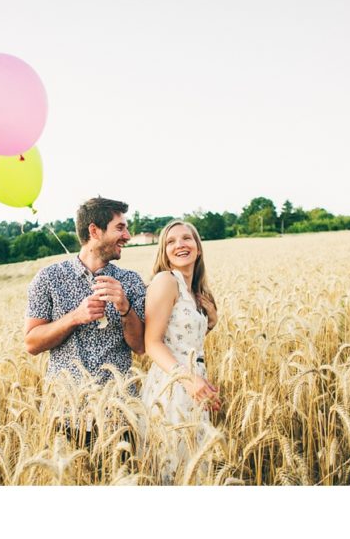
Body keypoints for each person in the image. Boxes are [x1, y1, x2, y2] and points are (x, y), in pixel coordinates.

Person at [24, 196, 146, 400]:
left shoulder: (131, 281)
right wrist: (75, 317)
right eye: (120, 228)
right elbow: (31, 344)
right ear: (94, 231)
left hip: (118, 410)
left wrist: (125, 307)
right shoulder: (48, 278)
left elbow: (140, 346)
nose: (127, 235)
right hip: (65, 409)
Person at [141, 219, 220, 481]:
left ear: (198, 247)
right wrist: (187, 379)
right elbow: (152, 343)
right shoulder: (166, 280)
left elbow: (185, 338)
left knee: (194, 467)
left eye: (187, 238)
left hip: (194, 384)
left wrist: (211, 320)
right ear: (164, 252)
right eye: (171, 242)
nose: (180, 245)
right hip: (172, 385)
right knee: (173, 467)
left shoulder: (195, 291)